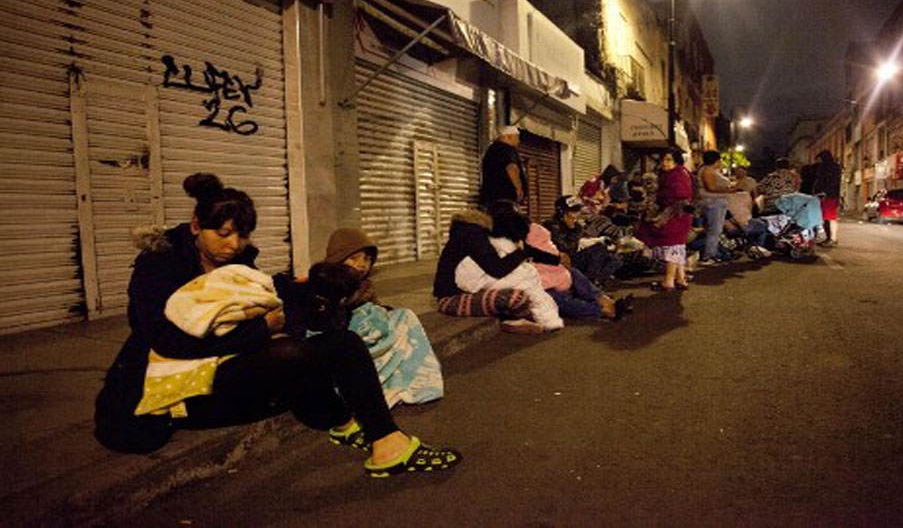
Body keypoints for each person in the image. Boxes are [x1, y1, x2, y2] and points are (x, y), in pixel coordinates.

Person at [94, 173, 460, 478]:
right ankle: (343, 422)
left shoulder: (239, 263)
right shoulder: (159, 266)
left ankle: (385, 443)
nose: (233, 245)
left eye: (243, 235)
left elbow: (272, 301)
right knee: (291, 355)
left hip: (222, 370)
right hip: (168, 391)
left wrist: (307, 295)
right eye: (222, 234)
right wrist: (263, 330)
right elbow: (168, 341)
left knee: (342, 343)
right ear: (195, 226)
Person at [318, 228, 444, 408]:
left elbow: (376, 312)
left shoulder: (365, 285)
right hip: (345, 345)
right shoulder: (325, 284)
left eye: (367, 259)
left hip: (370, 339)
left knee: (404, 316)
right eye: (354, 258)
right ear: (337, 259)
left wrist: (381, 314)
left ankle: (413, 380)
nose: (362, 265)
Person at [434, 203, 558, 334]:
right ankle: (518, 320)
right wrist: (519, 252)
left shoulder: (476, 233)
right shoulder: (473, 235)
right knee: (516, 297)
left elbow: (527, 250)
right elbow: (497, 269)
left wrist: (557, 259)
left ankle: (524, 318)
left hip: (470, 292)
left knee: (531, 290)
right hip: (452, 300)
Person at [636, 149, 694, 290]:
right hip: (680, 215)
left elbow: (679, 194)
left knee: (672, 246)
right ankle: (680, 279)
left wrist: (660, 200)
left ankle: (668, 281)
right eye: (663, 160)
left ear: (677, 161)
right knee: (678, 247)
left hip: (674, 215)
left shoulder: (677, 174)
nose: (664, 163)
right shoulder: (681, 172)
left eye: (668, 160)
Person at [544, 195, 623, 288]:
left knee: (614, 259)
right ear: (562, 212)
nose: (577, 214)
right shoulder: (552, 226)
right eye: (573, 211)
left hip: (574, 258)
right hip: (561, 262)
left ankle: (594, 284)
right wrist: (572, 230)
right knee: (598, 249)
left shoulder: (576, 225)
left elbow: (583, 240)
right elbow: (567, 249)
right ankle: (590, 286)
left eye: (578, 211)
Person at [692, 150, 732, 265]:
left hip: (713, 202)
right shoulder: (708, 170)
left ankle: (712, 253)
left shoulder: (708, 170)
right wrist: (730, 190)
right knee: (714, 230)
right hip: (713, 202)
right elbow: (711, 187)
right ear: (716, 160)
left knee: (713, 230)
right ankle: (709, 256)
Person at [480, 126, 527, 206]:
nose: (518, 141)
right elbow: (511, 167)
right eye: (517, 138)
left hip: (491, 198)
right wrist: (518, 188)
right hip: (505, 197)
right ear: (508, 136)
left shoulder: (492, 149)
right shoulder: (507, 149)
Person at [812, 149, 842, 246]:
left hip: (827, 196)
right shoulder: (835, 167)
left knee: (828, 218)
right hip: (831, 195)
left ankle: (831, 239)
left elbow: (825, 181)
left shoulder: (826, 168)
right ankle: (831, 238)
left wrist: (822, 192)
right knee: (829, 218)